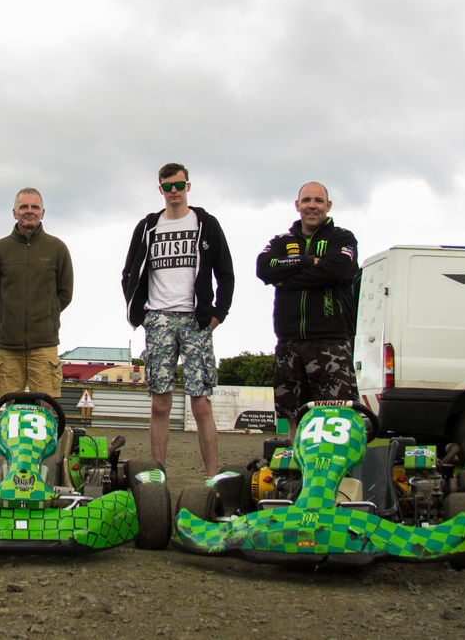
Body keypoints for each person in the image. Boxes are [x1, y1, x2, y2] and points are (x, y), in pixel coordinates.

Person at [122, 163, 234, 477]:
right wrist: (141, 314)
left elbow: (225, 273)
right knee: (160, 402)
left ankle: (211, 476)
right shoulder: (148, 226)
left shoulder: (206, 224)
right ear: (160, 189)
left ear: (188, 186)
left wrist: (217, 315)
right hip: (158, 318)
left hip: (195, 319)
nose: (174, 191)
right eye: (168, 186)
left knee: (200, 403)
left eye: (179, 185)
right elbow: (129, 273)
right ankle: (158, 472)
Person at [256, 181, 360, 442]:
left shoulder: (342, 238)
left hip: (331, 339)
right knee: (293, 414)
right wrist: (306, 261)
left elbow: (339, 270)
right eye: (306, 200)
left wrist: (288, 281)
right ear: (297, 205)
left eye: (318, 200)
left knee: (333, 416)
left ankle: (334, 475)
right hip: (290, 340)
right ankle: (293, 473)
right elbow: (264, 268)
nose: (312, 206)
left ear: (328, 205)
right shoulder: (282, 241)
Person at [0, 188, 74, 397]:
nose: (29, 211)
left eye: (35, 207)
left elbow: (65, 293)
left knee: (47, 408)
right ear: (14, 212)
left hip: (45, 346)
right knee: (8, 410)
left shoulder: (57, 249)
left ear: (43, 212)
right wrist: (7, 317)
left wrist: (47, 316)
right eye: (24, 206)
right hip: (8, 346)